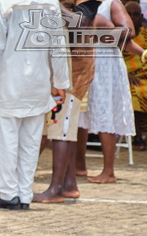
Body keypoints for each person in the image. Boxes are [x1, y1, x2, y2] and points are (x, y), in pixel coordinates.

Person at [0, 0, 69, 210]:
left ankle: (8, 194)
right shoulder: (51, 4)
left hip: (11, 82)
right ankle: (24, 194)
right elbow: (58, 46)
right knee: (30, 142)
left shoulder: (5, 3)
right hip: (39, 83)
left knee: (6, 141)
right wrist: (61, 82)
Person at [34, 5, 95, 203]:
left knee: (60, 129)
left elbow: (83, 24)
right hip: (67, 72)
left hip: (72, 74)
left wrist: (54, 5)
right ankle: (69, 184)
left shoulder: (62, 7)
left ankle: (56, 189)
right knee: (62, 129)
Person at [76, 0, 136, 183]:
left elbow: (129, 32)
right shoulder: (76, 3)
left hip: (105, 63)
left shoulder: (111, 3)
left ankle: (108, 171)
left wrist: (97, 31)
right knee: (78, 114)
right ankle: (79, 166)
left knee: (104, 113)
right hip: (83, 60)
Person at [124, 1, 147, 149]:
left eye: (136, 15)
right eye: (128, 15)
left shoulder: (145, 33)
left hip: (145, 77)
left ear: (141, 17)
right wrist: (126, 75)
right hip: (126, 78)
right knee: (135, 92)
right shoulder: (119, 35)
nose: (132, 18)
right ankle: (137, 137)